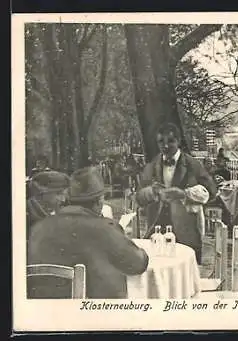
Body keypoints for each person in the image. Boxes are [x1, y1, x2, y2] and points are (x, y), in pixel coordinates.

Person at [27, 167, 149, 299]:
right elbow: (138, 263)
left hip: (46, 313)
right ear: (99, 201)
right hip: (95, 314)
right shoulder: (106, 228)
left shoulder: (38, 228)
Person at [135, 123, 217, 264]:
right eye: (161, 142)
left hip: (187, 232)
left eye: (171, 141)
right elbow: (139, 198)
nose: (165, 146)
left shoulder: (193, 165)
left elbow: (212, 191)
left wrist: (185, 194)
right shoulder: (152, 166)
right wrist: (152, 191)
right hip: (157, 232)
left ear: (178, 141)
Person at [26, 171, 70, 238]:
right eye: (58, 194)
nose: (63, 199)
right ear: (41, 192)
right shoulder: (25, 217)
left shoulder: (58, 212)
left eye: (65, 195)